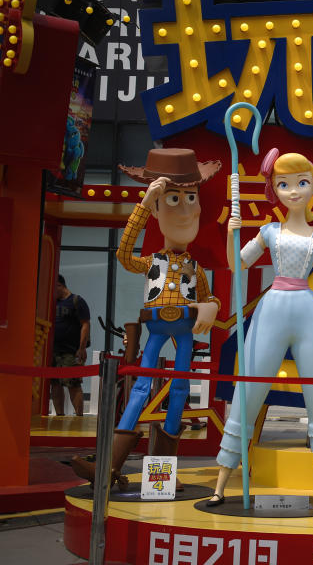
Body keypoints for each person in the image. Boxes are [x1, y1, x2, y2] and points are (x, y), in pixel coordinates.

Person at [71, 148, 222, 489]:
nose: (185, 209)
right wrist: (143, 203)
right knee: (139, 388)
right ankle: (109, 467)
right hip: (155, 329)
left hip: (184, 329)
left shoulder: (194, 268)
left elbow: (208, 296)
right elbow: (124, 254)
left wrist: (210, 305)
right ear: (156, 208)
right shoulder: (151, 261)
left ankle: (162, 476)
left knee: (180, 389)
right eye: (172, 199)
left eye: (191, 198)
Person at [208, 149, 313, 508]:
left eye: (302, 182)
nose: (294, 191)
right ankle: (221, 482)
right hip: (272, 311)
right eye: (284, 184)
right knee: (248, 390)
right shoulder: (269, 232)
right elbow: (236, 265)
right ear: (274, 189)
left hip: (312, 316)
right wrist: (230, 234)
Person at [51, 275, 90, 416]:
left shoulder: (76, 301)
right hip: (53, 351)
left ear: (59, 285)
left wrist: (81, 348)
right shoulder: (52, 303)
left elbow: (85, 324)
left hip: (71, 351)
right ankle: (59, 416)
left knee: (73, 384)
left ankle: (79, 416)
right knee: (55, 384)